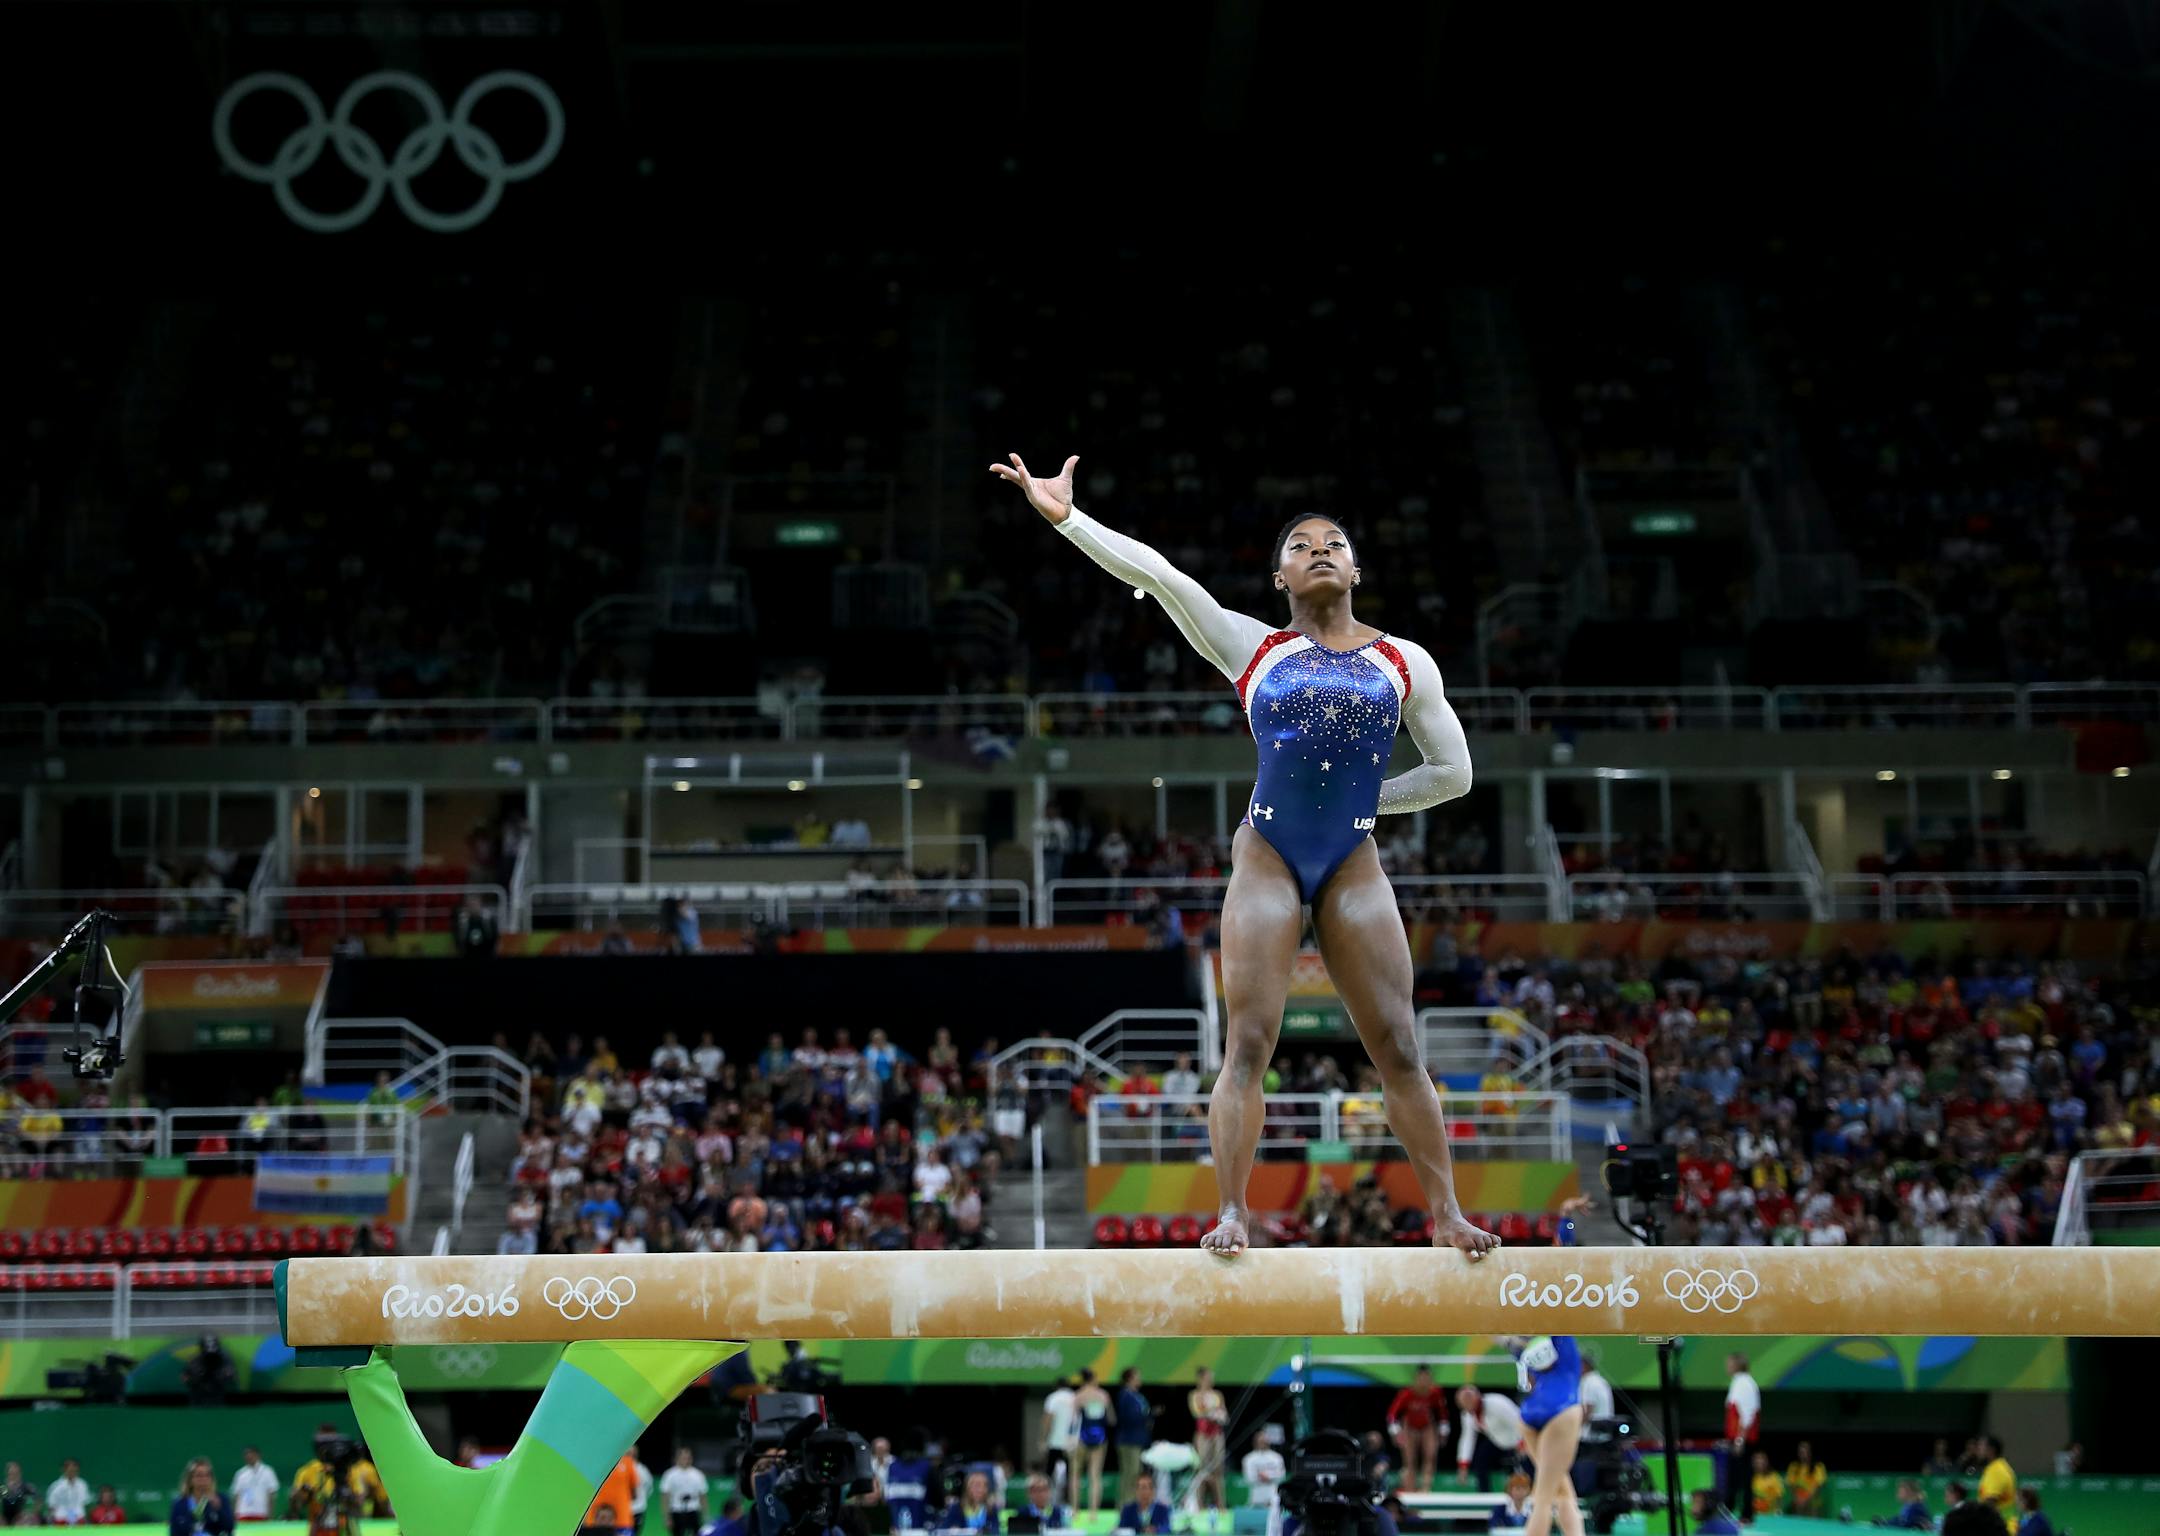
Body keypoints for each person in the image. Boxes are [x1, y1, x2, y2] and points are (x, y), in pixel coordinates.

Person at [994, 459, 1494, 1262]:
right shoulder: (1253, 647)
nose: (1320, 549)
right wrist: (1068, 518)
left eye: (1335, 543)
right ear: (1279, 577)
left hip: (1352, 859)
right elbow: (1159, 576)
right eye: (1301, 545)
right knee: (1249, 1042)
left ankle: (1447, 1215)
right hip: (1269, 855)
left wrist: (1370, 802)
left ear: (1357, 570)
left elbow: (1454, 774)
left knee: (1400, 1046)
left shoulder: (1406, 662)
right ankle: (1232, 1211)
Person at [1509, 1335, 1583, 1536]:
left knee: (1562, 1490)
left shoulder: (1525, 1352)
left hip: (1530, 1413)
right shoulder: (1564, 1346)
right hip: (1562, 1410)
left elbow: (1509, 1341)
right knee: (1544, 1498)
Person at [1387, 1365, 1448, 1493]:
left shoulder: (1435, 1392)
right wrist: (1396, 1432)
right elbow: (1392, 1414)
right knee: (1409, 1460)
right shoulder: (1407, 1393)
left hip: (1427, 1427)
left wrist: (1443, 1431)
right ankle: (1409, 1488)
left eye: (1427, 1378)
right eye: (1422, 1378)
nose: (1424, 1381)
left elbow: (1442, 1412)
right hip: (1409, 1428)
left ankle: (1426, 1488)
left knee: (1430, 1456)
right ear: (1416, 1379)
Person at [1453, 1386, 1525, 1493]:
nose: (1467, 1403)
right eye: (1464, 1402)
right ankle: (1484, 1494)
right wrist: (1463, 1465)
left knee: (1523, 1469)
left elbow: (1519, 1422)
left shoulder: (1497, 1403)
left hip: (1516, 1440)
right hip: (1497, 1441)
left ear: (1477, 1396)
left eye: (1469, 1398)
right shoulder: (1467, 1415)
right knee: (1480, 1460)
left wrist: (1522, 1444)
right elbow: (1467, 1439)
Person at [1721, 1354, 1761, 1524]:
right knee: (1734, 1476)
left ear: (1737, 1365)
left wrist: (1740, 1440)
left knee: (1743, 1477)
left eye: (1729, 1363)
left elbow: (1748, 1414)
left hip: (1742, 1439)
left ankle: (1746, 1514)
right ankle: (1728, 1510)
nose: (1727, 1366)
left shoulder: (1745, 1384)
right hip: (1737, 1438)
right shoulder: (1737, 1382)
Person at [1188, 1365, 1229, 1517]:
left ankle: (1221, 1504)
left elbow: (1224, 1413)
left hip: (1216, 1435)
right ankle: (1199, 1504)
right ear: (1201, 1378)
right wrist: (1211, 1413)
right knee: (1201, 1469)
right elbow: (1196, 1412)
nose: (1210, 1379)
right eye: (1207, 1377)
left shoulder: (1217, 1394)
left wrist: (1221, 1416)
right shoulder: (1194, 1394)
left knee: (1218, 1470)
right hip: (1202, 1435)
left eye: (1211, 1377)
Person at [1115, 1369, 1155, 1509]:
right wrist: (1146, 1418)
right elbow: (1128, 1418)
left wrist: (1150, 1416)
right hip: (1129, 1441)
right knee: (1130, 1475)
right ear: (1130, 1378)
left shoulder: (1137, 1396)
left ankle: (1130, 1505)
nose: (1140, 1378)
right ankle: (1125, 1506)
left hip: (1138, 1440)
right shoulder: (1125, 1395)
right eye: (1137, 1376)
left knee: (1135, 1474)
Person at [1076, 1369, 1114, 1514]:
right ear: (1093, 1379)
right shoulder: (1103, 1395)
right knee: (1095, 1475)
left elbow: (1073, 1419)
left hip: (1082, 1435)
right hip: (1099, 1435)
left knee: (1075, 1475)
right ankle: (1093, 1512)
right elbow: (1111, 1419)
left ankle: (1075, 1509)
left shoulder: (1079, 1395)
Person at [1040, 1377, 1081, 1509]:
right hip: (1072, 1443)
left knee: (1048, 1474)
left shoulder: (1053, 1398)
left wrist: (1043, 1439)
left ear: (1056, 1386)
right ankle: (1071, 1505)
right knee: (1071, 1476)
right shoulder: (1075, 1397)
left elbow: (1047, 1419)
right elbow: (1078, 1420)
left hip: (1055, 1442)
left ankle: (1045, 1503)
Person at [883, 1442, 936, 1533]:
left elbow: (934, 1495)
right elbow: (888, 1498)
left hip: (919, 1527)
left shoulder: (925, 1466)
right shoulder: (892, 1467)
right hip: (896, 1528)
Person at [170, 1462, 233, 1536]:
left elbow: (229, 1528)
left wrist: (219, 1510)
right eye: (199, 1475)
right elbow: (175, 1531)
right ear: (190, 1479)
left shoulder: (221, 1500)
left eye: (207, 1475)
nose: (204, 1479)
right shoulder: (179, 1503)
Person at [584, 1453, 639, 1536]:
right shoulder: (591, 1462)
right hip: (594, 1521)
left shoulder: (627, 1461)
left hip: (622, 1520)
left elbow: (634, 1492)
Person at [1240, 1428, 1287, 1518]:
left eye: (1264, 1441)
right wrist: (1260, 1476)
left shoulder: (1277, 1457)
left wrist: (1269, 1476)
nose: (1262, 1443)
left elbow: (1282, 1475)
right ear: (1255, 1442)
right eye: (1260, 1441)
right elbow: (1248, 1478)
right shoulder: (1248, 1459)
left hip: (1273, 1499)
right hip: (1255, 1500)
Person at [661, 1448, 709, 1536]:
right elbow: (665, 1497)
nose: (686, 1460)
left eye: (688, 1458)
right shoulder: (669, 1475)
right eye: (683, 1458)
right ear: (677, 1459)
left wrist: (705, 1515)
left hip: (694, 1511)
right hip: (676, 1511)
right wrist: (667, 1517)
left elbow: (703, 1496)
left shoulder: (698, 1475)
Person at [1975, 1436, 2016, 1530]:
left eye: (1981, 1446)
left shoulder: (1996, 1471)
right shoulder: (1997, 1467)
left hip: (2000, 1529)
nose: (1978, 1450)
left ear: (1991, 1450)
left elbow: (1989, 1504)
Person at [229, 1449, 279, 1524]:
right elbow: (236, 1495)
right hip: (243, 1513)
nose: (249, 1457)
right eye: (247, 1455)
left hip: (261, 1512)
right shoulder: (240, 1473)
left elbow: (272, 1493)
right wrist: (234, 1514)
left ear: (258, 1455)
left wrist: (270, 1514)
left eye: (251, 1455)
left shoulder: (268, 1472)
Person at [1784, 1442, 1826, 1519]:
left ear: (1810, 1452)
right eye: (1800, 1452)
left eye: (1805, 1452)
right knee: (1798, 1521)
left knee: (1812, 1523)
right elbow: (1790, 1484)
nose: (1802, 1454)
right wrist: (1798, 1498)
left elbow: (1819, 1486)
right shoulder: (1793, 1466)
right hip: (1798, 1502)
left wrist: (1806, 1499)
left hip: (1813, 1502)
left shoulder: (1818, 1466)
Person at [47, 1461, 89, 1527]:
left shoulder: (82, 1484)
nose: (72, 1473)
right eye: (70, 1471)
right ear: (64, 1470)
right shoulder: (56, 1486)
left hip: (79, 1519)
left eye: (75, 1471)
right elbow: (51, 1506)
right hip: (61, 1520)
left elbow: (84, 1504)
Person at [1576, 1354, 1614, 1424]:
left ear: (1583, 1366)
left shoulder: (1588, 1383)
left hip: (1593, 1429)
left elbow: (1587, 1410)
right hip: (1605, 1427)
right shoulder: (1601, 1380)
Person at [1748, 1452, 1784, 1519]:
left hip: (1770, 1516)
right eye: (1756, 1462)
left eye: (1761, 1461)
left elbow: (1779, 1497)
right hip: (1754, 1515)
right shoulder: (1750, 1477)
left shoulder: (1775, 1477)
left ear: (1766, 1462)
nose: (1759, 1464)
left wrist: (1778, 1511)